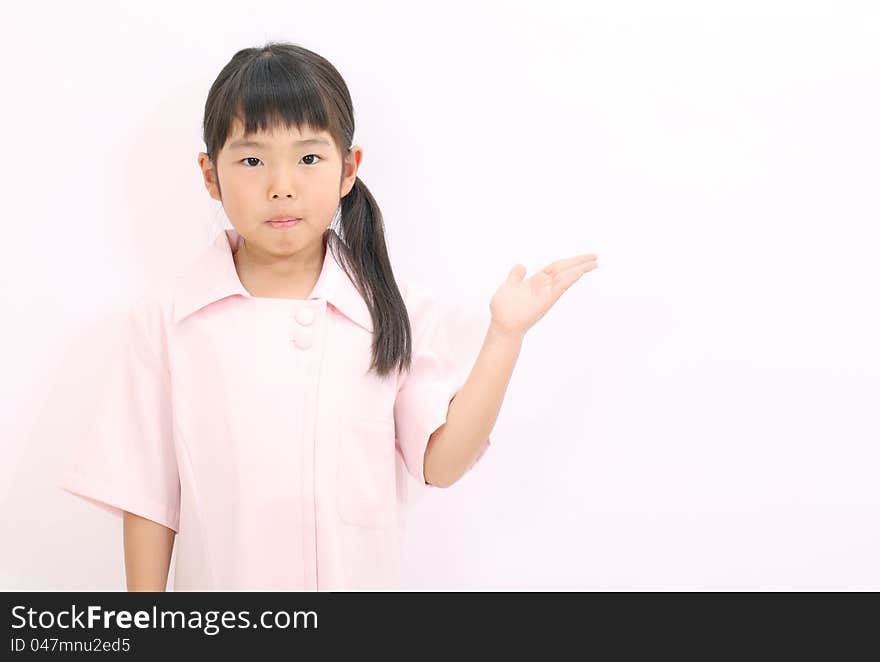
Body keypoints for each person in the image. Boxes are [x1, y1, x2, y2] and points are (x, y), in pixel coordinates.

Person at [58, 41, 599, 591]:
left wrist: (504, 337)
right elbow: (148, 499)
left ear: (349, 169)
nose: (281, 185)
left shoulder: (396, 311)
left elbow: (441, 462)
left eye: (309, 157)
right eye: (251, 160)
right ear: (209, 174)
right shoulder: (167, 320)